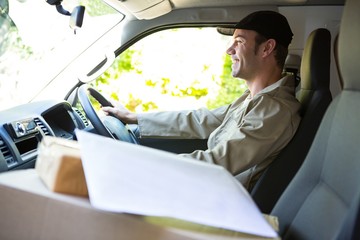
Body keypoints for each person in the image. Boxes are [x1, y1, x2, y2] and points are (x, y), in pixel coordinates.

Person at [102, 10, 301, 191]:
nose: (229, 50)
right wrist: (133, 117)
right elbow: (200, 119)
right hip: (210, 191)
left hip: (221, 202)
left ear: (267, 48)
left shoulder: (276, 110)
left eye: (239, 42)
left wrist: (144, 166)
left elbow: (218, 162)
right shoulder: (254, 100)